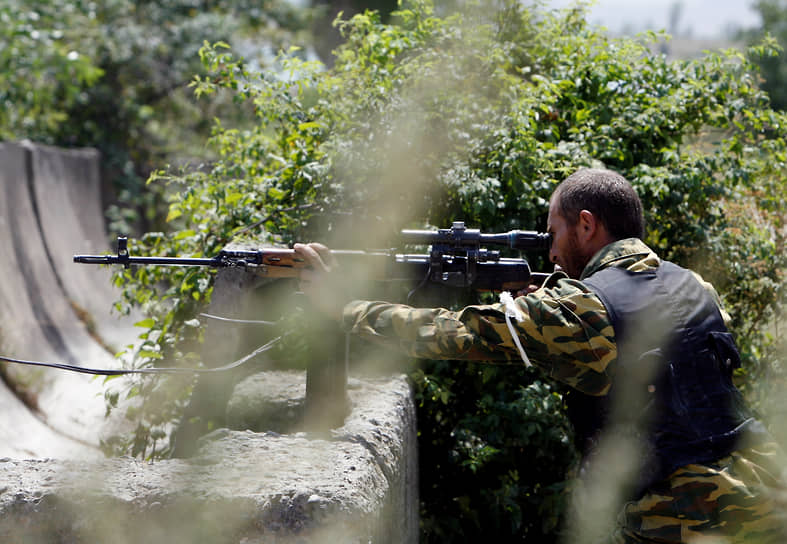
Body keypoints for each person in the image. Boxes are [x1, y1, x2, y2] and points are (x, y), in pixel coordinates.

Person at [294, 168, 787, 543]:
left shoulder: (579, 309)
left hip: (683, 518)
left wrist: (343, 306)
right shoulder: (696, 286)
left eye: (554, 233)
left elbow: (451, 333)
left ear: (587, 225)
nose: (550, 251)